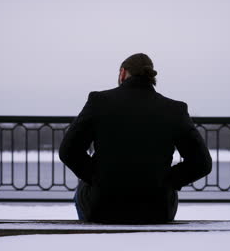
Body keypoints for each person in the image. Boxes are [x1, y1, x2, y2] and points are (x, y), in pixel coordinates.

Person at [59, 53, 212, 224]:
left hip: (102, 209)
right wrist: (167, 181)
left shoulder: (99, 102)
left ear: (123, 73)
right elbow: (202, 163)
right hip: (157, 211)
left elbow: (68, 151)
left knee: (82, 189)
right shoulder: (174, 109)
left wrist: (96, 177)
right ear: (151, 76)